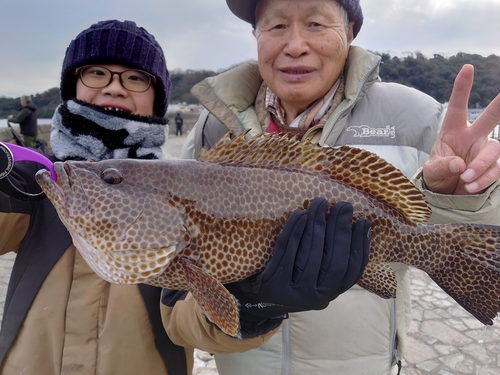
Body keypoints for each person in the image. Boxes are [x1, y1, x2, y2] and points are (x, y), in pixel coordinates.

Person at [161, 1, 500, 374]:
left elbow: (473, 221)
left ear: (350, 31)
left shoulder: (415, 116)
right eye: (275, 27)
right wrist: (254, 304)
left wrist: (463, 195)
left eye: (316, 23)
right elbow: (178, 313)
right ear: (255, 35)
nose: (295, 44)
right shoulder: (211, 129)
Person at [0, 20, 193, 375]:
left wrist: (256, 304)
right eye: (97, 72)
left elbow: (199, 321)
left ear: (158, 96)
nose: (115, 88)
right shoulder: (36, 180)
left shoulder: (181, 197)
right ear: (73, 83)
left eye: (135, 77)